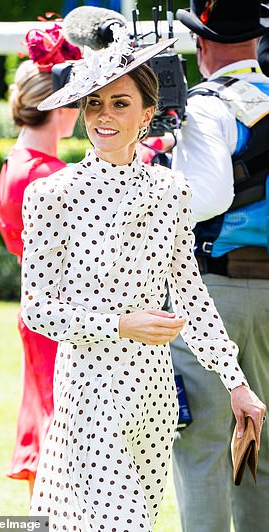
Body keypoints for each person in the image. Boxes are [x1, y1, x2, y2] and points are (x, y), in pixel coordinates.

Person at [20, 25, 265, 531]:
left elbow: (191, 294)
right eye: (94, 105)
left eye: (119, 103)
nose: (103, 117)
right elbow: (37, 310)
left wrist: (237, 384)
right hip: (90, 388)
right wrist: (120, 323)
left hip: (153, 396)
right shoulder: (52, 193)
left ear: (148, 114)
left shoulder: (172, 189)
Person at [170, 1, 269, 531]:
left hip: (215, 289)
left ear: (202, 45)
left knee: (204, 445)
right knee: (267, 450)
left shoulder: (205, 105)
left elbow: (204, 198)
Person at [0, 20, 82, 497]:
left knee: (50, 423)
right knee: (63, 434)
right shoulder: (49, 176)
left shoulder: (16, 164)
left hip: (34, 310)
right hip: (60, 315)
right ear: (62, 106)